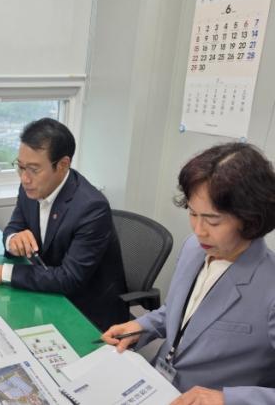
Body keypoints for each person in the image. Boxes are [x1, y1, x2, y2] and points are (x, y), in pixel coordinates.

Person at [101, 142, 275, 405]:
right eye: (193, 213)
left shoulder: (269, 286)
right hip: (157, 386)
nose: (199, 230)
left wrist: (228, 399)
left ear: (250, 218)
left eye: (213, 220)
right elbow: (182, 312)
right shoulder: (194, 247)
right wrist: (142, 326)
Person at [0, 118, 128, 330]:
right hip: (48, 296)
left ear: (62, 165)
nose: (24, 178)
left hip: (87, 313)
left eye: (34, 169)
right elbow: (13, 227)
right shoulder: (30, 187)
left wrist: (3, 273)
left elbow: (69, 279)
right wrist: (13, 240)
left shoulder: (91, 208)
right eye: (20, 167)